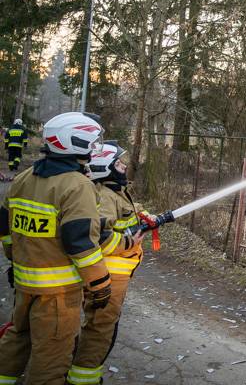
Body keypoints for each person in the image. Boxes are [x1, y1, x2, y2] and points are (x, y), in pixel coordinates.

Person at [0, 112, 112, 385]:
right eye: (93, 141)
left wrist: (17, 262)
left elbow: (5, 228)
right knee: (51, 356)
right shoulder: (77, 185)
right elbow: (80, 243)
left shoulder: (25, 178)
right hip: (58, 297)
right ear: (77, 142)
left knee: (17, 339)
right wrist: (99, 284)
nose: (95, 147)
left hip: (25, 285)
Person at [67, 142, 144, 385]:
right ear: (104, 166)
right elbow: (99, 237)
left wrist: (140, 219)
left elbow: (118, 220)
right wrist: (130, 243)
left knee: (101, 328)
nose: (124, 168)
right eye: (119, 164)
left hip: (112, 275)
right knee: (100, 330)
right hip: (108, 276)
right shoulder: (106, 195)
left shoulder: (114, 192)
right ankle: (83, 379)